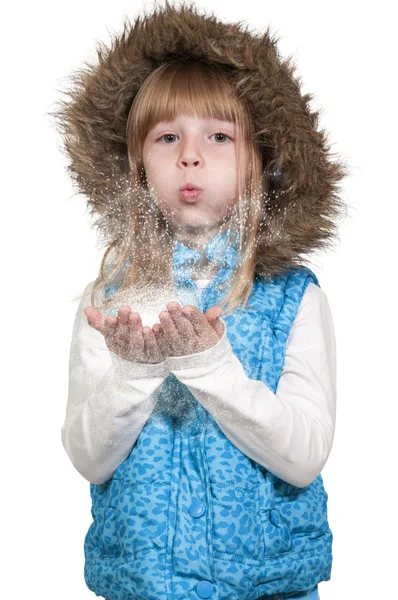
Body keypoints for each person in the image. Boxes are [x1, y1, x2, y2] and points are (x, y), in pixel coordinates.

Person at [53, 2, 349, 599]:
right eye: (168, 137)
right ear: (137, 165)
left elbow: (305, 456)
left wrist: (212, 369)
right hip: (143, 588)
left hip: (267, 588)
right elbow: (89, 458)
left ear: (257, 162)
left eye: (219, 136)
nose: (191, 155)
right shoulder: (111, 303)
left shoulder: (294, 298)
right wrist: (133, 372)